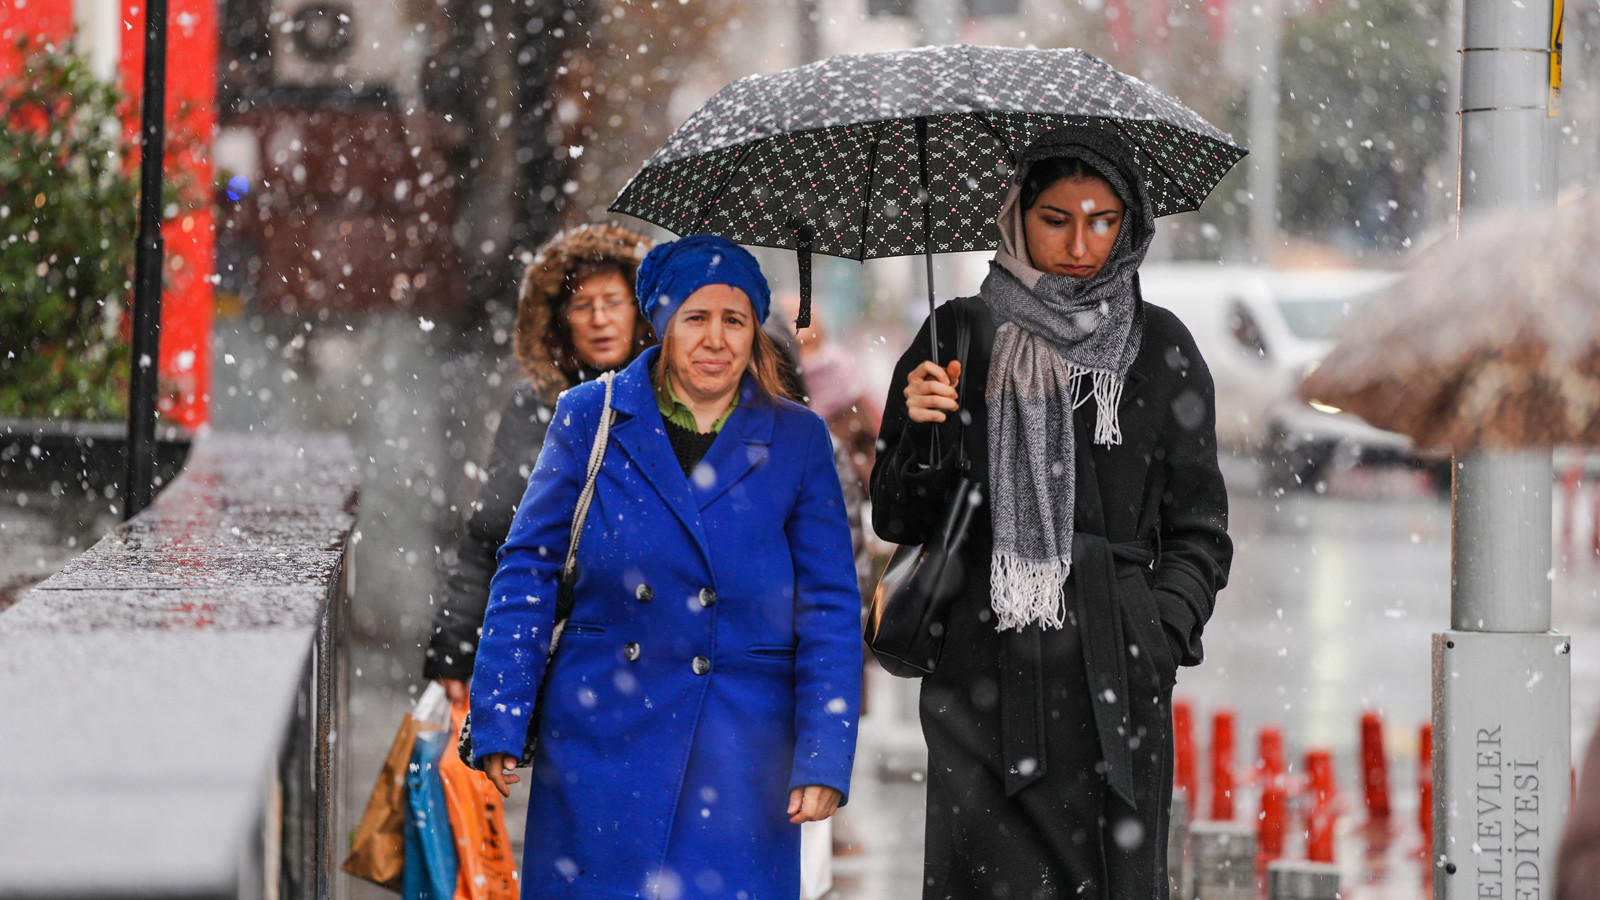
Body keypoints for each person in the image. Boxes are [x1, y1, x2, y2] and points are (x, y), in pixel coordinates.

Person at [870, 126, 1233, 899]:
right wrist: (922, 430)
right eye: (1056, 218)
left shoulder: (1161, 346)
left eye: (1102, 219)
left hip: (1115, 678)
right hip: (982, 676)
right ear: (1016, 217)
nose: (1080, 243)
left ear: (1129, 222)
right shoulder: (957, 333)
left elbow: (1200, 528)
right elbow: (898, 517)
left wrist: (1156, 636)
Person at [468, 233, 863, 899]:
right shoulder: (590, 415)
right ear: (661, 322)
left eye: (734, 319)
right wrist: (501, 709)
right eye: (696, 318)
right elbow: (529, 567)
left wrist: (825, 751)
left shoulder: (797, 437)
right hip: (602, 735)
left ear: (754, 329)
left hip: (741, 749)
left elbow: (829, 606)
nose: (717, 339)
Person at [422, 223, 656, 702]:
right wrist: (457, 646)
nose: (599, 319)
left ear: (641, 310)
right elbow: (493, 529)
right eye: (582, 305)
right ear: (559, 319)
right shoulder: (535, 407)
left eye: (613, 302)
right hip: (560, 649)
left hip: (656, 648)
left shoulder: (670, 403)